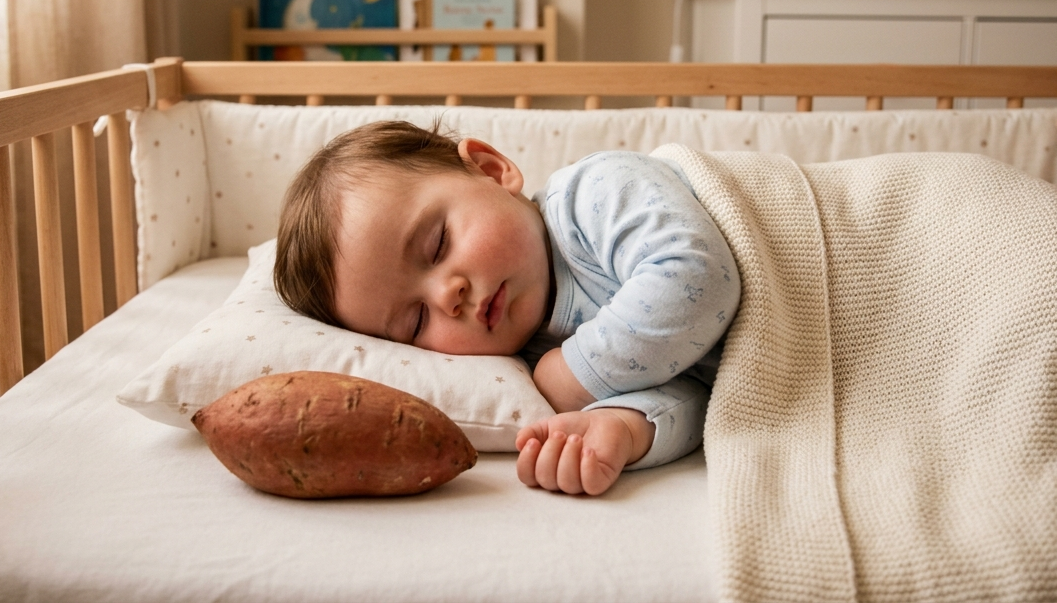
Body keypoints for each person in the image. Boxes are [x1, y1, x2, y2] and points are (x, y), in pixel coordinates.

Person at [274, 120, 739, 495]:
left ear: (491, 170)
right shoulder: (535, 353)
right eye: (416, 320)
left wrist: (576, 374)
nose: (446, 296)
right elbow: (707, 392)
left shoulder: (591, 193)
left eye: (438, 245)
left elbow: (698, 278)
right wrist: (624, 428)